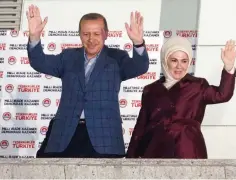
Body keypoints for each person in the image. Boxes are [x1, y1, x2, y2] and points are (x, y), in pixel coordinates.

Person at [26, 5, 149, 158]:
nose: (91, 39)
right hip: (65, 135)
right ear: (80, 35)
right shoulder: (68, 57)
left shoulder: (117, 58)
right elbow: (39, 62)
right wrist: (34, 38)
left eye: (96, 33)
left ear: (106, 34)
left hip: (105, 138)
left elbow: (140, 67)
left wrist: (138, 43)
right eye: (86, 34)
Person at [126, 36, 236, 158]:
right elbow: (140, 127)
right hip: (155, 152)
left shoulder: (198, 86)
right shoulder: (150, 90)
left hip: (188, 150)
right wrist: (130, 159)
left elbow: (223, 95)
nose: (179, 66)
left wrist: (229, 67)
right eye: (174, 60)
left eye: (184, 61)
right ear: (165, 60)